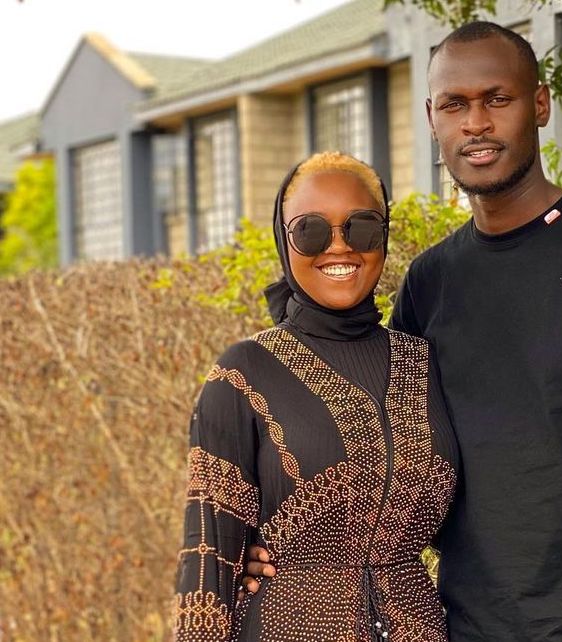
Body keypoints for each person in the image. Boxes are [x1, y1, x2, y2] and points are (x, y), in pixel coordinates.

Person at [243, 21, 562, 642]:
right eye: (454, 104)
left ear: (540, 105)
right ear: (432, 119)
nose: (476, 123)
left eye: (497, 99)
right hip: (461, 628)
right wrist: (277, 548)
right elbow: (382, 458)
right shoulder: (430, 282)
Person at [172, 152, 459, 641]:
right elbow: (207, 564)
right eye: (311, 231)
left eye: (361, 227)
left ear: (384, 235)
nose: (339, 246)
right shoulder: (244, 373)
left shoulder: (426, 363)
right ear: (284, 241)